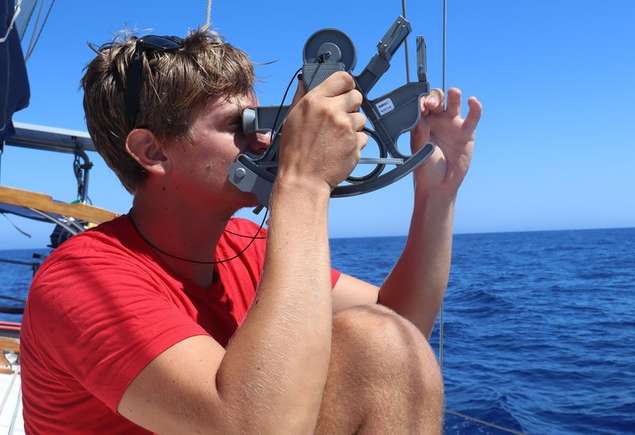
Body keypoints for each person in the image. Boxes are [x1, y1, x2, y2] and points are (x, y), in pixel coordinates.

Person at [20, 28, 482, 434]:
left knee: (384, 342)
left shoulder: (244, 247)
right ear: (152, 151)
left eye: (262, 120)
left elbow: (402, 323)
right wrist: (302, 182)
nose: (265, 140)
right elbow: (251, 427)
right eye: (238, 126)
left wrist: (436, 196)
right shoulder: (81, 280)